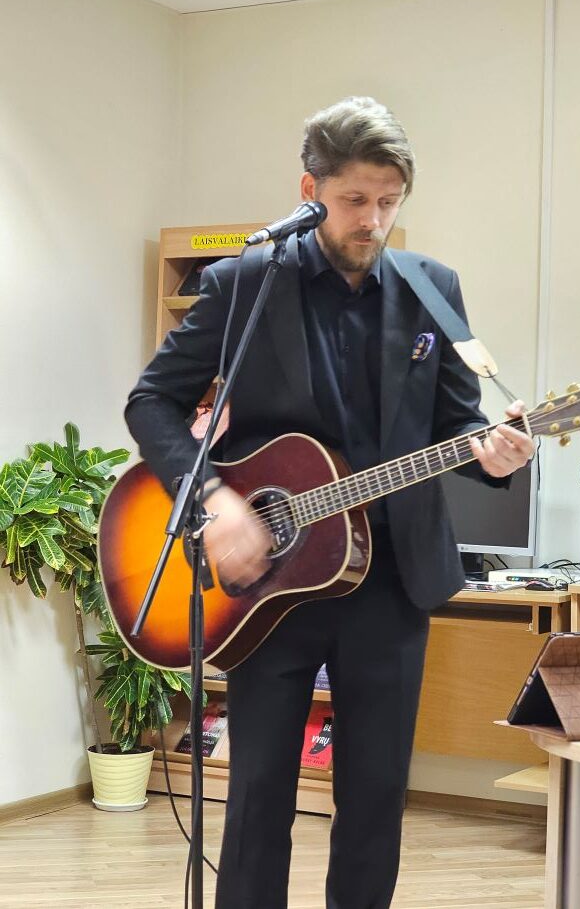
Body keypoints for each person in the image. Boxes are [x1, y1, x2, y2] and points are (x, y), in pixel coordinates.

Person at [125, 96, 535, 909]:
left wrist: (496, 453)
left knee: (376, 797)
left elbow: (459, 422)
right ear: (310, 189)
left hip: (392, 582)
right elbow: (151, 402)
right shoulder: (243, 283)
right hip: (269, 582)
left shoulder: (433, 289)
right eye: (355, 200)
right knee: (257, 797)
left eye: (389, 201)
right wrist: (213, 499)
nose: (373, 220)